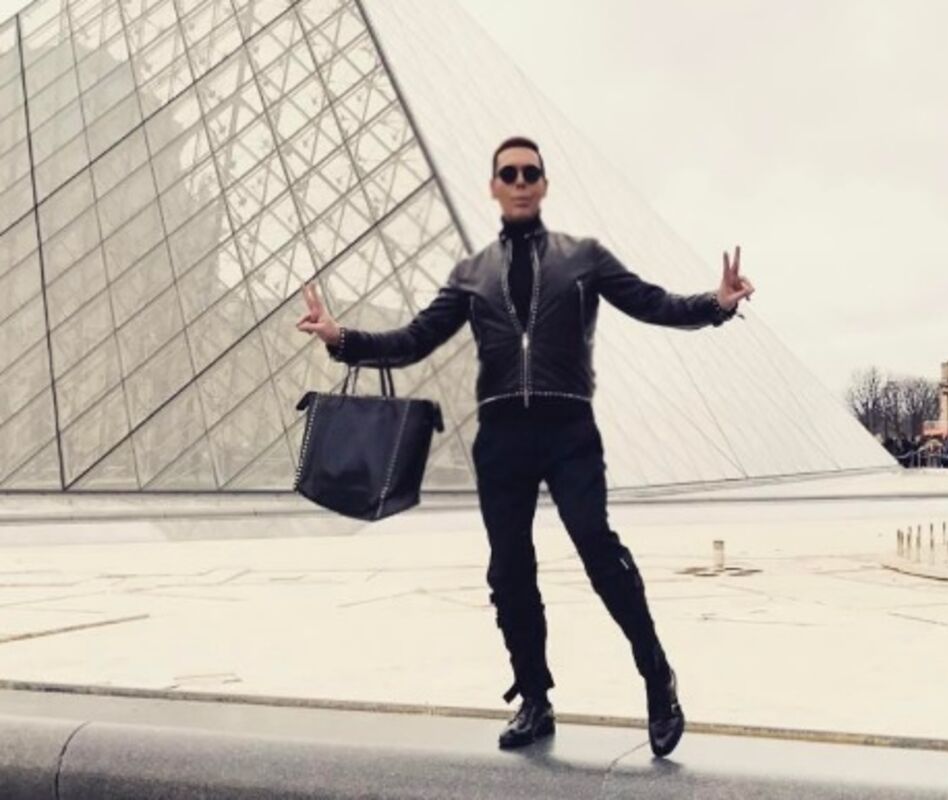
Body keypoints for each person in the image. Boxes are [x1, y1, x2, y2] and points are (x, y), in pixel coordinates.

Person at [295, 136, 755, 758]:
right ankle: (535, 699)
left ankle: (656, 677)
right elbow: (413, 339)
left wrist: (716, 304)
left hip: (568, 430)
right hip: (502, 434)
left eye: (529, 173)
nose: (518, 182)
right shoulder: (470, 274)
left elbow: (653, 303)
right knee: (510, 570)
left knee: (598, 548)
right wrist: (341, 338)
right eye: (507, 173)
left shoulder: (584, 258)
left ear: (542, 185)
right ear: (494, 186)